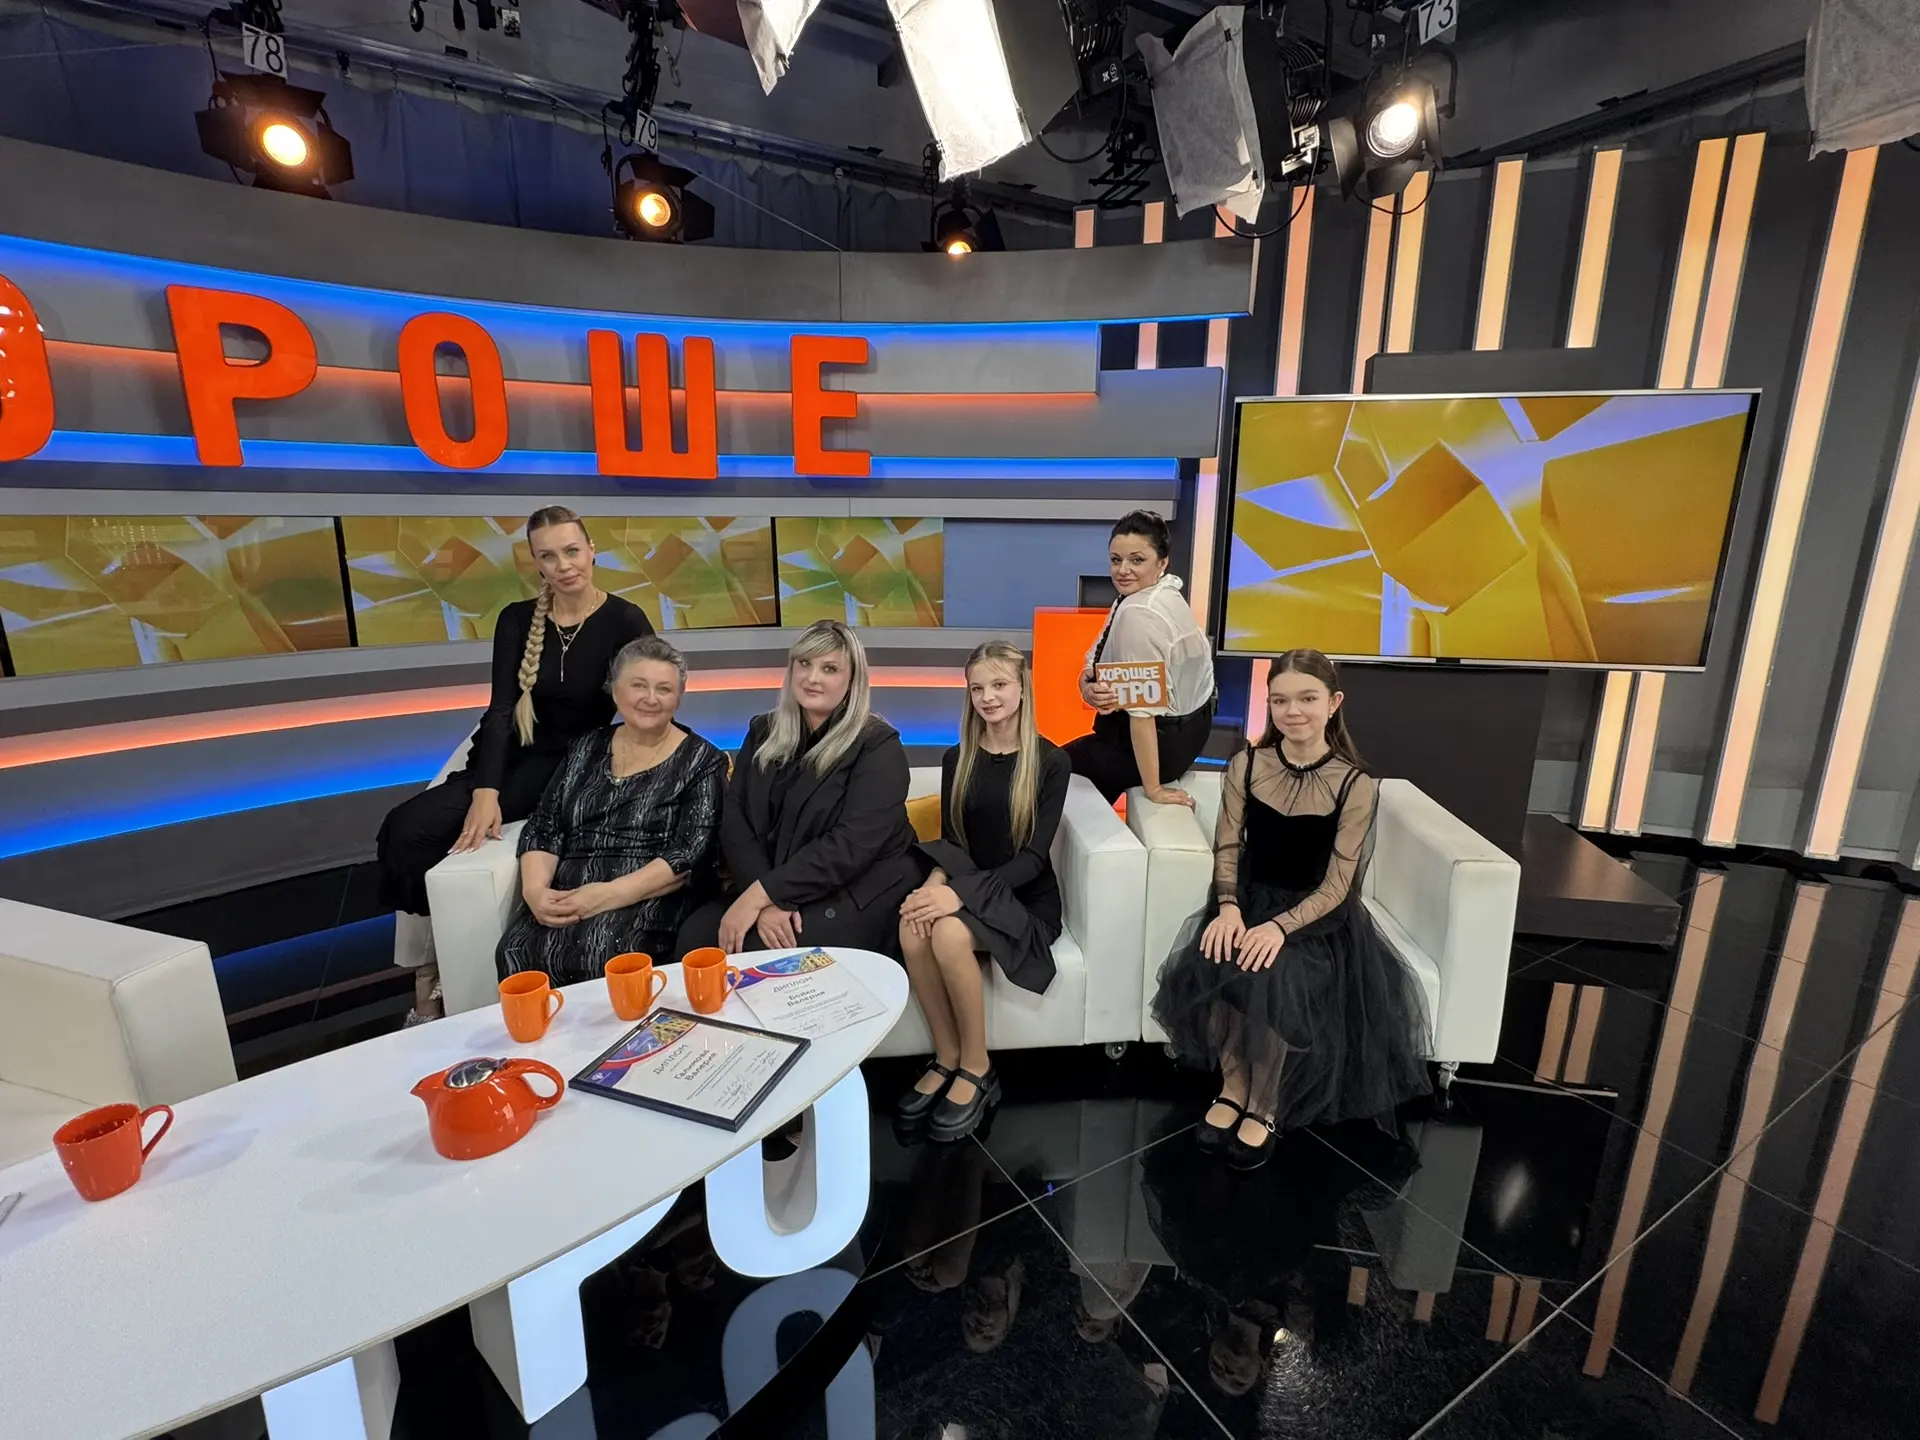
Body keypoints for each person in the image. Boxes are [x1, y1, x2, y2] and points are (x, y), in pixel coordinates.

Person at [1150, 649, 1430, 1169]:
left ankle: (1265, 1103)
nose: (1292, 711)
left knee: (1275, 974)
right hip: (1248, 899)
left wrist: (1279, 928)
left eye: (1306, 699)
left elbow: (1339, 883)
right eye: (1280, 700)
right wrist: (1228, 908)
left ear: (1334, 703)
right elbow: (1227, 847)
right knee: (1217, 955)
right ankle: (1233, 1085)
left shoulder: (1354, 784)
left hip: (1314, 915)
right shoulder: (1247, 764)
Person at [376, 505, 654, 1020]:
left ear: (592, 550)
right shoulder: (515, 618)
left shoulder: (625, 619)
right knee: (405, 829)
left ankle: (432, 975)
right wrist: (487, 791)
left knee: (423, 833)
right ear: (535, 563)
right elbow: (501, 709)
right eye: (548, 556)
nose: (563, 565)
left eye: (572, 551)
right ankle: (432, 961)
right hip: (507, 752)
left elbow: (648, 697)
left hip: (570, 765)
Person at [895, 641, 1071, 1141]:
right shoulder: (958, 757)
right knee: (913, 927)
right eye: (977, 688)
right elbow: (954, 842)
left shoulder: (1052, 762)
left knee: (948, 934)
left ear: (1022, 688)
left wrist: (959, 897)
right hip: (970, 887)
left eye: (999, 685)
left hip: (1025, 899)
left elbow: (1032, 860)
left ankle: (978, 1066)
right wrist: (934, 884)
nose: (988, 697)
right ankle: (947, 1055)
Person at [676, 619, 918, 958]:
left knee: (758, 949)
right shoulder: (763, 731)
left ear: (852, 680)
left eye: (829, 668)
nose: (812, 677)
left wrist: (766, 895)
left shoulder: (877, 745)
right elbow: (735, 821)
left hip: (855, 887)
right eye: (804, 663)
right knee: (695, 936)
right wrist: (763, 895)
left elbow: (851, 845)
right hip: (771, 879)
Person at [495, 636, 726, 985]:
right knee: (515, 950)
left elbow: (689, 853)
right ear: (615, 691)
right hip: (569, 888)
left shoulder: (702, 760)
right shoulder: (585, 747)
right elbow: (545, 825)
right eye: (638, 685)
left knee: (604, 951)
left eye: (664, 689)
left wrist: (606, 896)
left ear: (679, 698)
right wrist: (536, 893)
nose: (650, 698)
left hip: (647, 894)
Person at [1066, 510, 1217, 808]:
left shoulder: (1139, 615)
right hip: (1187, 734)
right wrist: (1087, 684)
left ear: (1162, 562)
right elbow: (1098, 652)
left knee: (1046, 771)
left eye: (1137, 560)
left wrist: (1154, 789)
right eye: (1116, 560)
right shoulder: (1156, 591)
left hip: (1156, 745)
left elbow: (1142, 715)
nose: (1123, 570)